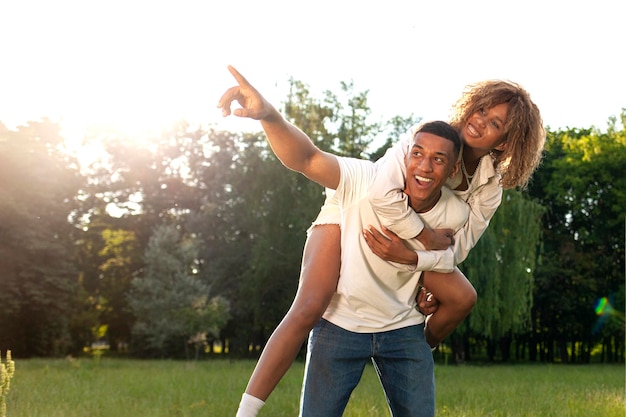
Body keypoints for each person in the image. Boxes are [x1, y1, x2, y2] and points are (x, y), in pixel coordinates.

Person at [225, 70, 545, 416]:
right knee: (311, 304)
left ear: (503, 143)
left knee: (461, 296)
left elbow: (456, 250)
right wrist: (268, 114)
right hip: (363, 209)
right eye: (481, 110)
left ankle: (414, 349)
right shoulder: (426, 136)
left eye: (495, 123)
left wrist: (412, 261)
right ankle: (246, 411)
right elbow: (363, 184)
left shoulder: (487, 189)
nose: (480, 122)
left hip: (418, 245)